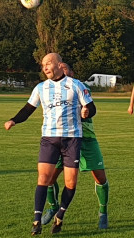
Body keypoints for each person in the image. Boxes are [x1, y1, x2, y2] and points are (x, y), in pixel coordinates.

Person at [4, 53, 96, 235]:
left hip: (71, 139)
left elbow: (91, 108)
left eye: (48, 63)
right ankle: (36, 221)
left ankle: (60, 215)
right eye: (43, 65)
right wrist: (14, 120)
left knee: (70, 183)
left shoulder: (75, 85)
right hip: (49, 139)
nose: (45, 67)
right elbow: (28, 109)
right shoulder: (40, 88)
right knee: (43, 179)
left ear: (59, 65)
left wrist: (86, 112)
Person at [43, 62, 111, 229]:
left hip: (86, 138)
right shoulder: (50, 89)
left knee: (100, 177)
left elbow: (91, 108)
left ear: (71, 72)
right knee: (49, 177)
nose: (63, 73)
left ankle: (103, 212)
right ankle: (53, 207)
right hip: (62, 139)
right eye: (60, 70)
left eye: (65, 70)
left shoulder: (80, 86)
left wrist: (86, 111)